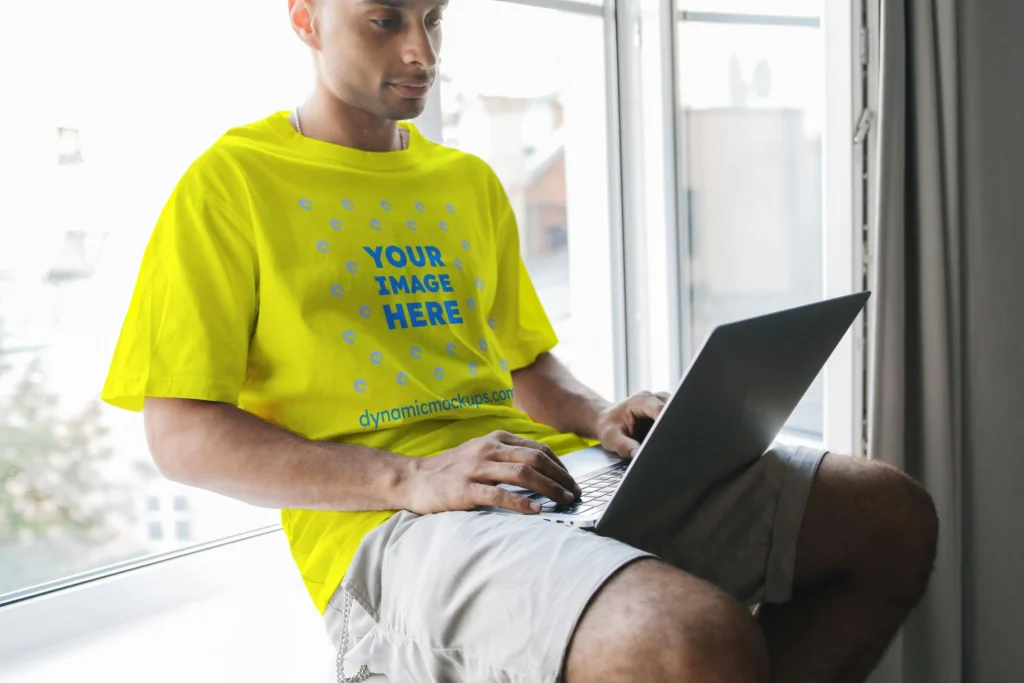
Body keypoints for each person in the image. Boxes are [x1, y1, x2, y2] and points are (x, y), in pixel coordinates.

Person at [101, 1, 939, 681]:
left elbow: (526, 364)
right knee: (695, 640)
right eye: (385, 20)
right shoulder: (230, 185)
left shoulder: (463, 182)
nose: (421, 51)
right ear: (305, 19)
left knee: (888, 516)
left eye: (435, 18)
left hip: (542, 475)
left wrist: (599, 413)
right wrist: (412, 475)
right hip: (388, 528)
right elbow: (181, 434)